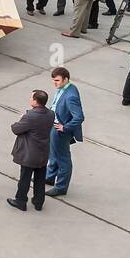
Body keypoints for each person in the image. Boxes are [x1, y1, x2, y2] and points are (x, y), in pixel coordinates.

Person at [7, 89, 55, 211]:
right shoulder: (50, 114)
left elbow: (16, 129)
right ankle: (38, 202)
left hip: (29, 154)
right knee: (40, 179)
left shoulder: (31, 116)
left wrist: (22, 118)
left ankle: (21, 201)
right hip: (43, 153)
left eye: (31, 98)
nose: (30, 99)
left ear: (36, 102)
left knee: (25, 179)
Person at [46, 67, 84, 197]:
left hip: (61, 130)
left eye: (57, 80)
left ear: (66, 79)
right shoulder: (66, 88)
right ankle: (50, 177)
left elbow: (79, 117)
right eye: (53, 80)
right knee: (53, 154)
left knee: (63, 159)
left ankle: (61, 187)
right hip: (54, 125)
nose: (54, 83)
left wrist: (65, 127)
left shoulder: (71, 96)